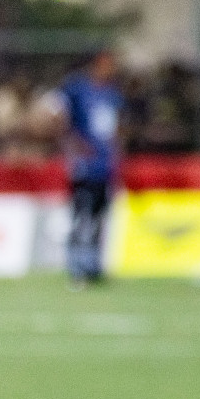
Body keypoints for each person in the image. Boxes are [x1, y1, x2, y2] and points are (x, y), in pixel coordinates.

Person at [54, 50, 124, 286]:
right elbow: (60, 117)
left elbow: (115, 127)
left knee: (99, 216)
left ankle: (93, 265)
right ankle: (75, 266)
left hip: (105, 165)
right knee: (80, 216)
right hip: (85, 164)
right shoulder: (76, 89)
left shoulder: (112, 94)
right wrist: (74, 145)